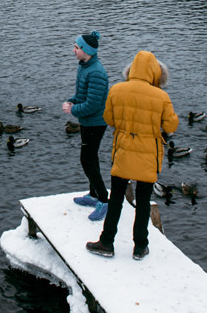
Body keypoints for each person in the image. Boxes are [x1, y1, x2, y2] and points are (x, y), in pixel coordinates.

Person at [86, 49, 177, 261]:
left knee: (116, 198)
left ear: (131, 69)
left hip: (124, 152)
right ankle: (140, 246)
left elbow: (109, 119)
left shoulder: (117, 90)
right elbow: (171, 125)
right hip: (148, 155)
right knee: (143, 202)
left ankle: (107, 242)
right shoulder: (162, 96)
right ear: (156, 73)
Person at [62, 31, 109, 222]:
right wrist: (71, 101)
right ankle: (93, 195)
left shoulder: (96, 72)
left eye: (76, 47)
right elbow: (81, 95)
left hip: (96, 123)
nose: (73, 50)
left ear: (86, 51)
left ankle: (104, 200)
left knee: (88, 160)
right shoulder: (84, 66)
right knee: (89, 158)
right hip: (87, 122)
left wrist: (73, 110)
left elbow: (93, 104)